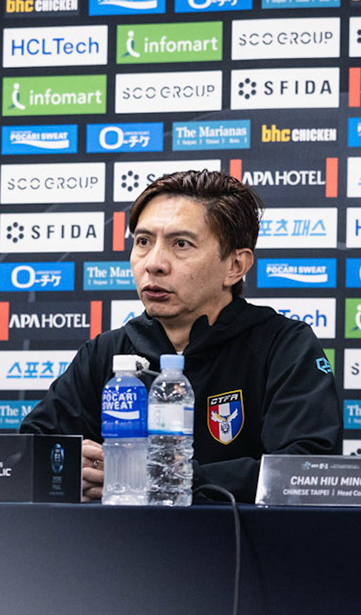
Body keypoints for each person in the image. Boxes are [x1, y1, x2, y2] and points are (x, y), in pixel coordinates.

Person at [21, 169, 340, 502]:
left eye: (181, 244)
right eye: (143, 242)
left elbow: (307, 471)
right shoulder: (108, 351)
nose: (154, 263)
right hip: (117, 549)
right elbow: (27, 453)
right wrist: (68, 466)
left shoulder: (284, 346)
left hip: (243, 548)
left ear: (235, 266)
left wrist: (167, 477)